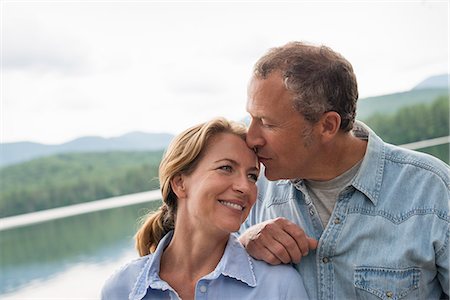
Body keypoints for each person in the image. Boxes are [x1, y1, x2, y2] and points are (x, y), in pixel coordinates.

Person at [239, 41, 449, 299]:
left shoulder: (433, 190)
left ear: (327, 125)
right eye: (250, 118)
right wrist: (244, 244)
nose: (251, 138)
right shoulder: (251, 189)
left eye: (267, 123)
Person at [101, 117, 309, 300]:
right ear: (180, 183)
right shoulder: (120, 290)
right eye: (226, 168)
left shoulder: (279, 287)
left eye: (252, 176)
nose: (245, 187)